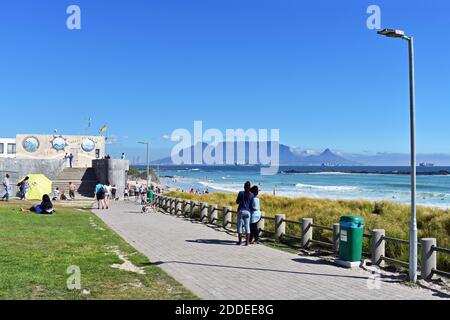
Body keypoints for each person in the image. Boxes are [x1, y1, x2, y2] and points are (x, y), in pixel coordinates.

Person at [235, 181, 254, 246]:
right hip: (248, 212)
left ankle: (240, 241)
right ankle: (247, 242)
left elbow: (237, 202)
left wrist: (241, 200)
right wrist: (251, 211)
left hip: (241, 211)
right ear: (250, 187)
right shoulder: (252, 194)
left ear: (244, 187)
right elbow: (252, 205)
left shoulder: (241, 193)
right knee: (247, 226)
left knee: (240, 226)